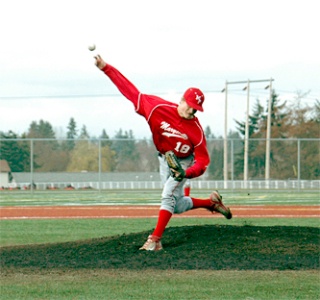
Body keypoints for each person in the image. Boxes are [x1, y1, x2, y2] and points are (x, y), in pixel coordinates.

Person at [94, 54, 232, 251]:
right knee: (174, 205)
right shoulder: (157, 107)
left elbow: (203, 160)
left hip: (183, 163)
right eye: (190, 107)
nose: (192, 112)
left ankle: (155, 239)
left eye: (196, 110)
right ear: (182, 100)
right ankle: (211, 203)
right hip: (164, 159)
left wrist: (187, 173)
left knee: (168, 196)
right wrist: (106, 68)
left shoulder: (196, 130)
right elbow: (131, 91)